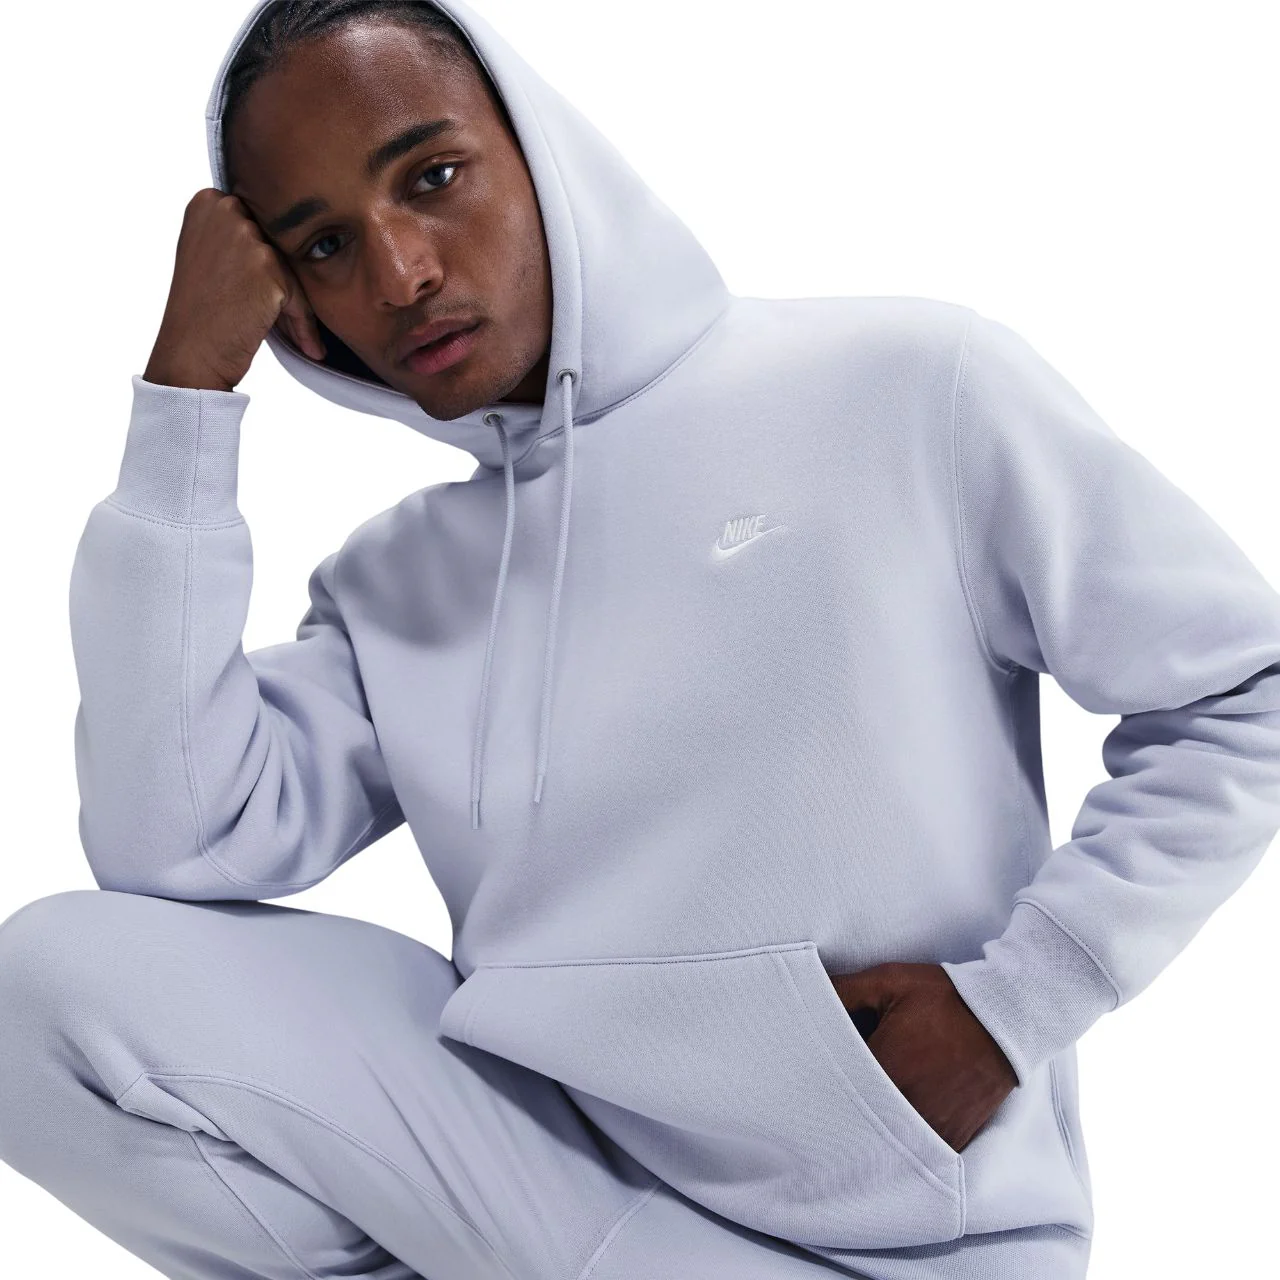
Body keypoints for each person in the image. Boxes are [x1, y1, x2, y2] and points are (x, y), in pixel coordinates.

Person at [2, 0, 1279, 1276]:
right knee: (40, 988)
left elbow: (1243, 685)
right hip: (560, 1209)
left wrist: (1017, 1001)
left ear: (542, 149)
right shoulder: (393, 580)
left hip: (907, 1234)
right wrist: (185, 401)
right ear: (299, 308)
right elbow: (171, 841)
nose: (399, 274)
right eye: (325, 244)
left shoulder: (902, 385)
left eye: (432, 178)